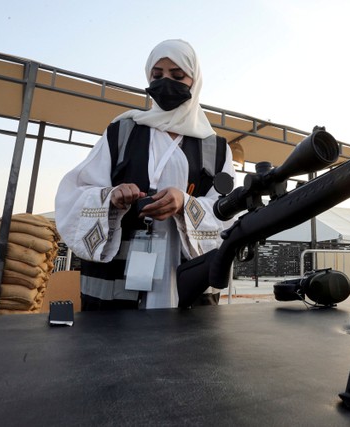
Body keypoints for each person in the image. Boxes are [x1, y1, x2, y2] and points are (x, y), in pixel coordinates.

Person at [55, 39, 236, 310]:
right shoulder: (123, 132)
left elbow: (228, 213)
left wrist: (185, 204)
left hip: (184, 274)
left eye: (177, 76)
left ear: (194, 81)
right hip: (120, 283)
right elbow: (75, 193)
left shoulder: (215, 147)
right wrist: (111, 196)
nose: (165, 82)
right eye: (157, 75)